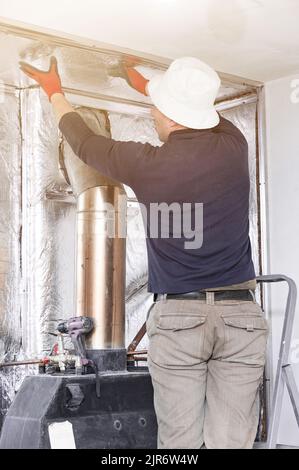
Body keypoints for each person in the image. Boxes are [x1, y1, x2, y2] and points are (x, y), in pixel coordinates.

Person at [19, 55, 269, 449]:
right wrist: (142, 81)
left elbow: (85, 143)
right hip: (242, 317)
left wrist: (54, 92)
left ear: (169, 116)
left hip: (180, 317)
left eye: (156, 108)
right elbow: (199, 113)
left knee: (180, 442)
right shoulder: (233, 145)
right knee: (233, 441)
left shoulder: (148, 164)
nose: (152, 115)